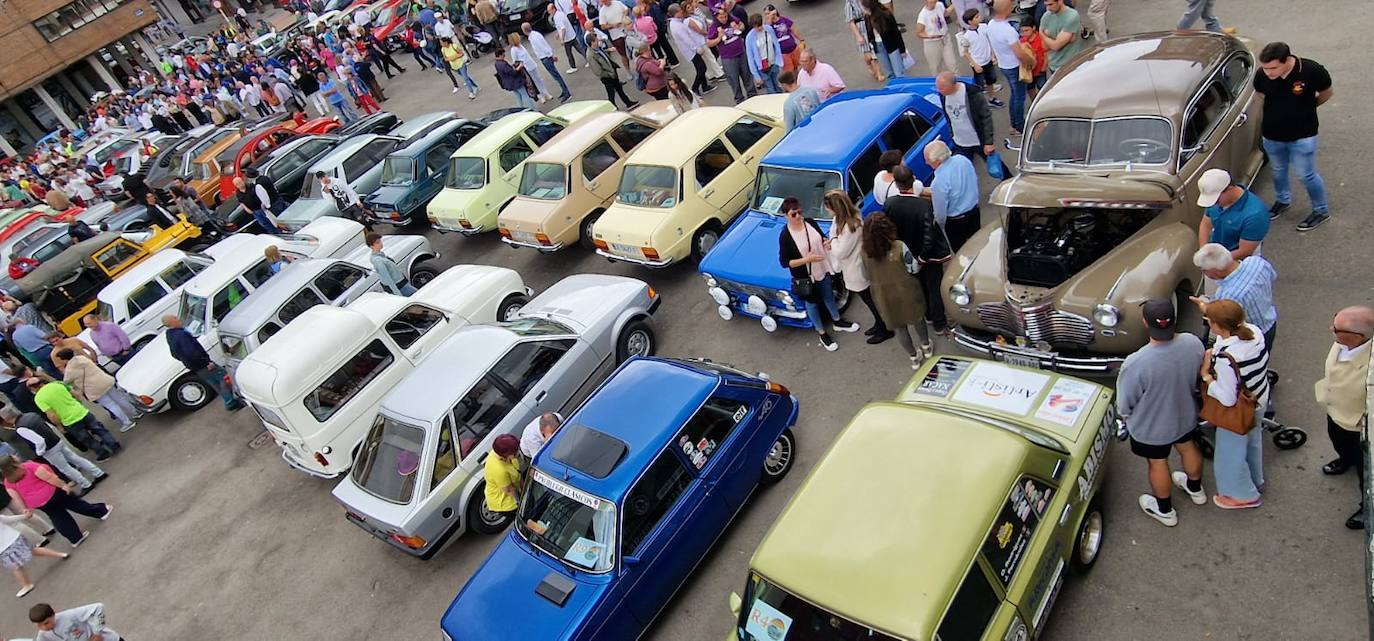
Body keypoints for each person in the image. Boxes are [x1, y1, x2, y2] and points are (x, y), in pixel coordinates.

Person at [1116, 298, 1207, 527]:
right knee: (1188, 447)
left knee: (1157, 463)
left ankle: (1165, 510)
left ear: (1146, 322)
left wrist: (1126, 415)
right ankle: (1196, 490)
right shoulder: (1192, 343)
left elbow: (1126, 402)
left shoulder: (1136, 363)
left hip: (1151, 428)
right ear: (1173, 320)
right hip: (1186, 415)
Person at [1253, 42, 1332, 232]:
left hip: (1303, 135)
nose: (1268, 72)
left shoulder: (1312, 71)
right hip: (1272, 135)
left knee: (1306, 174)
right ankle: (1282, 200)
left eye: (1273, 68)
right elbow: (1260, 95)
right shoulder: (1262, 75)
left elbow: (1326, 93)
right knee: (1278, 170)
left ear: (1287, 60)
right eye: (1265, 68)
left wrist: (1305, 110)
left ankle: (1321, 210)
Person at [1200, 299, 1268, 510]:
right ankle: (1256, 480)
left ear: (1218, 326)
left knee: (1231, 454)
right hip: (1259, 397)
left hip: (1238, 409)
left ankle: (1242, 495)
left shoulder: (1226, 358)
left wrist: (1207, 377)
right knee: (1252, 443)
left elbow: (1228, 397)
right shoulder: (1254, 332)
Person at [1315, 305, 1374, 529]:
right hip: (1336, 411)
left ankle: (1368, 508)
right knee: (1338, 440)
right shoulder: (1343, 342)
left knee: (1367, 473)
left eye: (1336, 329)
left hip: (1359, 424)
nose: (1331, 329)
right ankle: (1345, 459)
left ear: (1358, 336)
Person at [778, 196, 859, 352]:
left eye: (799, 212)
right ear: (785, 216)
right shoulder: (785, 236)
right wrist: (807, 259)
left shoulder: (809, 222)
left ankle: (837, 321)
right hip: (805, 276)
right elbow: (785, 262)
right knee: (812, 304)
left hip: (822, 268)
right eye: (794, 214)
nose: (798, 216)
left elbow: (821, 237)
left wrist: (826, 243)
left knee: (828, 295)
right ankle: (822, 333)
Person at [883, 165, 950, 334]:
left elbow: (891, 231)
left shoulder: (889, 204)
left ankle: (927, 316)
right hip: (927, 256)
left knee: (920, 286)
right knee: (934, 287)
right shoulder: (923, 205)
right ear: (913, 180)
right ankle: (940, 324)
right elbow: (929, 235)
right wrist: (923, 257)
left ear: (896, 184)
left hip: (907, 255)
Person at [860, 213, 931, 366]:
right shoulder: (899, 246)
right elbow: (913, 268)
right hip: (907, 291)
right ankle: (926, 346)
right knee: (918, 319)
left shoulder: (864, 253)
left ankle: (913, 357)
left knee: (900, 328)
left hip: (883, 296)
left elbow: (865, 275)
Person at [824, 191, 890, 343]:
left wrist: (833, 241)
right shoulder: (847, 219)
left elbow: (841, 251)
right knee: (869, 299)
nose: (827, 211)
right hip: (854, 266)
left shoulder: (851, 225)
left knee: (871, 300)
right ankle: (880, 324)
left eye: (829, 207)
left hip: (857, 269)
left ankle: (884, 328)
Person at [2, 457, 112, 547]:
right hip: (53, 492)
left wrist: (24, 509)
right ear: (14, 463)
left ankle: (75, 538)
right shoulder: (28, 467)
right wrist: (63, 485)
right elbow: (49, 477)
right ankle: (102, 511)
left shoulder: (8, 482)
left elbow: (15, 497)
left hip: (38, 503)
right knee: (76, 505)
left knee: (57, 516)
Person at [1, 411, 105, 495]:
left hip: (49, 449)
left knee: (65, 468)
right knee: (76, 458)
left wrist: (39, 452)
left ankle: (85, 484)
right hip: (56, 440)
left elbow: (39, 441)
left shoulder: (20, 428)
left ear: (7, 419)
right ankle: (98, 473)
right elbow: (49, 427)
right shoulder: (31, 415)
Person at [163, 315, 243, 412]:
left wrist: (188, 362)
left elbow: (174, 354)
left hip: (196, 368)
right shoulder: (181, 335)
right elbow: (191, 352)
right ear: (171, 323)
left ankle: (228, 401)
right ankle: (231, 401)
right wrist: (206, 362)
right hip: (203, 364)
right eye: (175, 318)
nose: (179, 319)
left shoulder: (170, 336)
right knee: (224, 377)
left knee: (215, 384)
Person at [30, 377, 120, 461]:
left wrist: (59, 426)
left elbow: (51, 415)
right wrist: (78, 404)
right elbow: (76, 394)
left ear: (33, 388)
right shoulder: (57, 384)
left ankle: (103, 453)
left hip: (69, 421)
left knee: (86, 439)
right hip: (81, 411)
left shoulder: (38, 398)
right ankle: (113, 444)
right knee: (99, 429)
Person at [58, 349, 140, 433]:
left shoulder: (69, 370)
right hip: (104, 380)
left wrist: (63, 371)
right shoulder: (82, 358)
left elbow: (66, 381)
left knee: (111, 405)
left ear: (64, 359)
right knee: (119, 398)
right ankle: (135, 412)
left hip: (93, 389)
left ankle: (127, 422)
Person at [1195, 168, 1269, 260]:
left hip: (1240, 263)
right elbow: (1206, 224)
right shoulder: (1216, 202)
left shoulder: (1256, 215)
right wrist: (1203, 250)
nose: (1214, 203)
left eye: (1216, 200)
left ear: (1229, 189)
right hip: (1217, 255)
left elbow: (1245, 251)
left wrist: (1214, 262)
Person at [925, 139, 981, 253]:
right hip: (974, 212)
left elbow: (940, 212)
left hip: (956, 223)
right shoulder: (963, 160)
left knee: (962, 253)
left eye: (927, 160)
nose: (926, 163)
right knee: (979, 245)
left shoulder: (939, 182)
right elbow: (974, 179)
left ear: (937, 161)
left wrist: (940, 226)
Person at [0, 503, 68, 597]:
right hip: (16, 537)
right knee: (33, 550)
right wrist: (25, 516)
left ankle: (27, 585)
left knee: (15, 567)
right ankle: (60, 554)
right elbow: (10, 519)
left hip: (4, 548)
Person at [935, 72, 996, 165]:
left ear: (952, 85)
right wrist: (952, 135)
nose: (939, 90)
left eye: (942, 88)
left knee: (996, 166)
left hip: (978, 141)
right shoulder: (943, 96)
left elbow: (986, 117)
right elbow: (948, 117)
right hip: (959, 142)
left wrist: (989, 142)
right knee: (964, 170)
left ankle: (1010, 178)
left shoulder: (972, 94)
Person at [985, 0, 1024, 124]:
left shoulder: (991, 24)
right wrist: (1030, 61)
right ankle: (1018, 123)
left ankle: (1014, 122)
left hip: (1003, 65)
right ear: (1006, 9)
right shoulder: (1008, 30)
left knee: (1014, 94)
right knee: (1019, 97)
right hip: (1014, 66)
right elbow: (1019, 53)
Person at [707, 6, 752, 103]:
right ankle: (740, 100)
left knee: (747, 75)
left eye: (725, 16)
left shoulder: (732, 20)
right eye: (721, 17)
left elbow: (742, 26)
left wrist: (738, 27)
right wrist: (719, 38)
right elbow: (709, 43)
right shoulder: (714, 27)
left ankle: (752, 95)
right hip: (728, 58)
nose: (724, 19)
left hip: (741, 52)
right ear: (716, 18)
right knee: (734, 81)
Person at [668, 3, 711, 96]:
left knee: (700, 67)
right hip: (691, 50)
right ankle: (695, 88)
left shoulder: (675, 23)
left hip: (690, 49)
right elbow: (686, 39)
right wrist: (697, 48)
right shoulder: (677, 25)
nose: (682, 12)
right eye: (680, 11)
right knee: (702, 68)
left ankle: (705, 86)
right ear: (676, 13)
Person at [587, 32, 639, 108]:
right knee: (611, 94)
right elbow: (598, 71)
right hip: (607, 77)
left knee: (619, 89)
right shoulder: (591, 55)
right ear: (592, 42)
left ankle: (628, 103)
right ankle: (612, 107)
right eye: (596, 40)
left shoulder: (597, 49)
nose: (598, 40)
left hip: (612, 72)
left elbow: (604, 56)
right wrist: (609, 74)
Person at [524, 22, 572, 102]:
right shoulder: (535, 35)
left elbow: (543, 47)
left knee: (556, 76)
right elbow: (545, 44)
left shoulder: (533, 37)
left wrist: (551, 55)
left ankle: (567, 92)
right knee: (556, 76)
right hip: (546, 57)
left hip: (545, 58)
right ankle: (564, 91)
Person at [30, 602, 123, 641]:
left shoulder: (70, 616)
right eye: (39, 625)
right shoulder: (43, 634)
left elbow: (98, 607)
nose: (44, 628)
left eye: (46, 623)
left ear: (53, 615)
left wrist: (97, 632)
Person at [863, 0, 908, 81]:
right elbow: (869, 34)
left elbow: (896, 33)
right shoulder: (867, 17)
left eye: (866, 8)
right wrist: (870, 49)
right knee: (889, 74)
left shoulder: (886, 15)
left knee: (899, 73)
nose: (865, 11)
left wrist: (902, 50)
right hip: (878, 47)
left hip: (892, 45)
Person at [483, 434, 522, 526]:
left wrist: (524, 488)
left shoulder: (499, 453)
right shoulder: (499, 469)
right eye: (516, 451)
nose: (518, 452)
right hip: (506, 503)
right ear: (508, 455)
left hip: (513, 489)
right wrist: (522, 503)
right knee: (526, 519)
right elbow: (509, 490)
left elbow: (518, 474)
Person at [842, 0, 884, 82]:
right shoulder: (849, 3)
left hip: (870, 24)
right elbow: (851, 22)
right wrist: (858, 36)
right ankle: (869, 64)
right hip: (860, 28)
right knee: (868, 55)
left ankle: (878, 73)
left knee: (874, 51)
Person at [1039, 0, 1081, 76]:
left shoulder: (1072, 16)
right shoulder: (1046, 16)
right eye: (1046, 5)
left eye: (1051, 4)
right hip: (1053, 65)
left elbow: (1056, 46)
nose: (1048, 8)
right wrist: (1055, 40)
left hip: (1070, 65)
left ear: (1060, 1)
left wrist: (1042, 34)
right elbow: (1045, 46)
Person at [916, 0, 958, 75]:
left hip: (945, 38)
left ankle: (956, 82)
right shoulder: (923, 15)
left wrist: (955, 4)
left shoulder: (939, 5)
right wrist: (930, 36)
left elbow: (945, 13)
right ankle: (939, 84)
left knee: (952, 64)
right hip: (933, 43)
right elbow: (919, 32)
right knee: (935, 68)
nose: (934, 3)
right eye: (932, 2)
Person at [744, 13, 783, 94]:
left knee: (778, 87)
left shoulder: (768, 29)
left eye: (760, 25)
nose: (759, 28)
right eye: (756, 26)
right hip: (762, 68)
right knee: (771, 90)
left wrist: (779, 61)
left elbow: (776, 45)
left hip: (773, 63)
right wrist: (756, 76)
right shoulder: (749, 38)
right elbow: (750, 58)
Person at [508, 33, 553, 103]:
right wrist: (521, 65)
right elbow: (515, 61)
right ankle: (540, 96)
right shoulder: (513, 50)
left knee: (539, 79)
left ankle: (545, 93)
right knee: (533, 82)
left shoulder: (521, 46)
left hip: (532, 64)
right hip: (526, 68)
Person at [763, 4, 803, 71]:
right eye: (766, 14)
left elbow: (793, 30)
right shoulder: (769, 25)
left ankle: (797, 81)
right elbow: (766, 29)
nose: (767, 16)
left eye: (768, 13)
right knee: (789, 71)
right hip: (783, 52)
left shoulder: (783, 19)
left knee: (796, 68)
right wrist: (770, 17)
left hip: (793, 48)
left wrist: (801, 39)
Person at [550, 3, 587, 72]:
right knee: (579, 49)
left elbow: (563, 28)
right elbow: (561, 27)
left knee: (569, 53)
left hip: (567, 38)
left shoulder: (557, 17)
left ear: (553, 9)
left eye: (549, 10)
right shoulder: (560, 13)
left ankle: (573, 66)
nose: (549, 12)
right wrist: (558, 34)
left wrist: (562, 39)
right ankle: (588, 59)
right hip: (571, 35)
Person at [597, 0, 632, 68]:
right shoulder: (602, 11)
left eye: (606, 1)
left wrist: (623, 17)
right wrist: (613, 25)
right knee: (623, 54)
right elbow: (603, 26)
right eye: (603, 2)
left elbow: (626, 9)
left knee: (634, 51)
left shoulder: (617, 3)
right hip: (616, 36)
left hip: (627, 30)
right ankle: (628, 71)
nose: (605, 3)